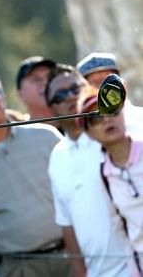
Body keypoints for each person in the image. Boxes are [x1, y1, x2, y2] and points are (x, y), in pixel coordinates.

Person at [0, 68, 72, 277]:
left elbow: (78, 189)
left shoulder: (45, 136)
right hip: (21, 268)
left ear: (3, 97)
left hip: (73, 254)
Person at [45, 64, 138, 277]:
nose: (70, 97)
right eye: (61, 95)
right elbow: (67, 223)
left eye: (75, 89)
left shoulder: (116, 131)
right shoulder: (57, 157)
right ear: (51, 110)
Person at [79, 90, 143, 270]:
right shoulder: (104, 175)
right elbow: (123, 233)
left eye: (112, 111)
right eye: (96, 118)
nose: (106, 119)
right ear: (88, 133)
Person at [76, 52, 143, 137]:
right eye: (95, 83)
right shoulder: (83, 137)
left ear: (123, 84)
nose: (103, 88)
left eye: (109, 82)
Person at [15, 56, 57, 121]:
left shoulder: (76, 124)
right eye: (36, 79)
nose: (45, 83)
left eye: (50, 77)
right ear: (20, 94)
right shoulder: (13, 130)